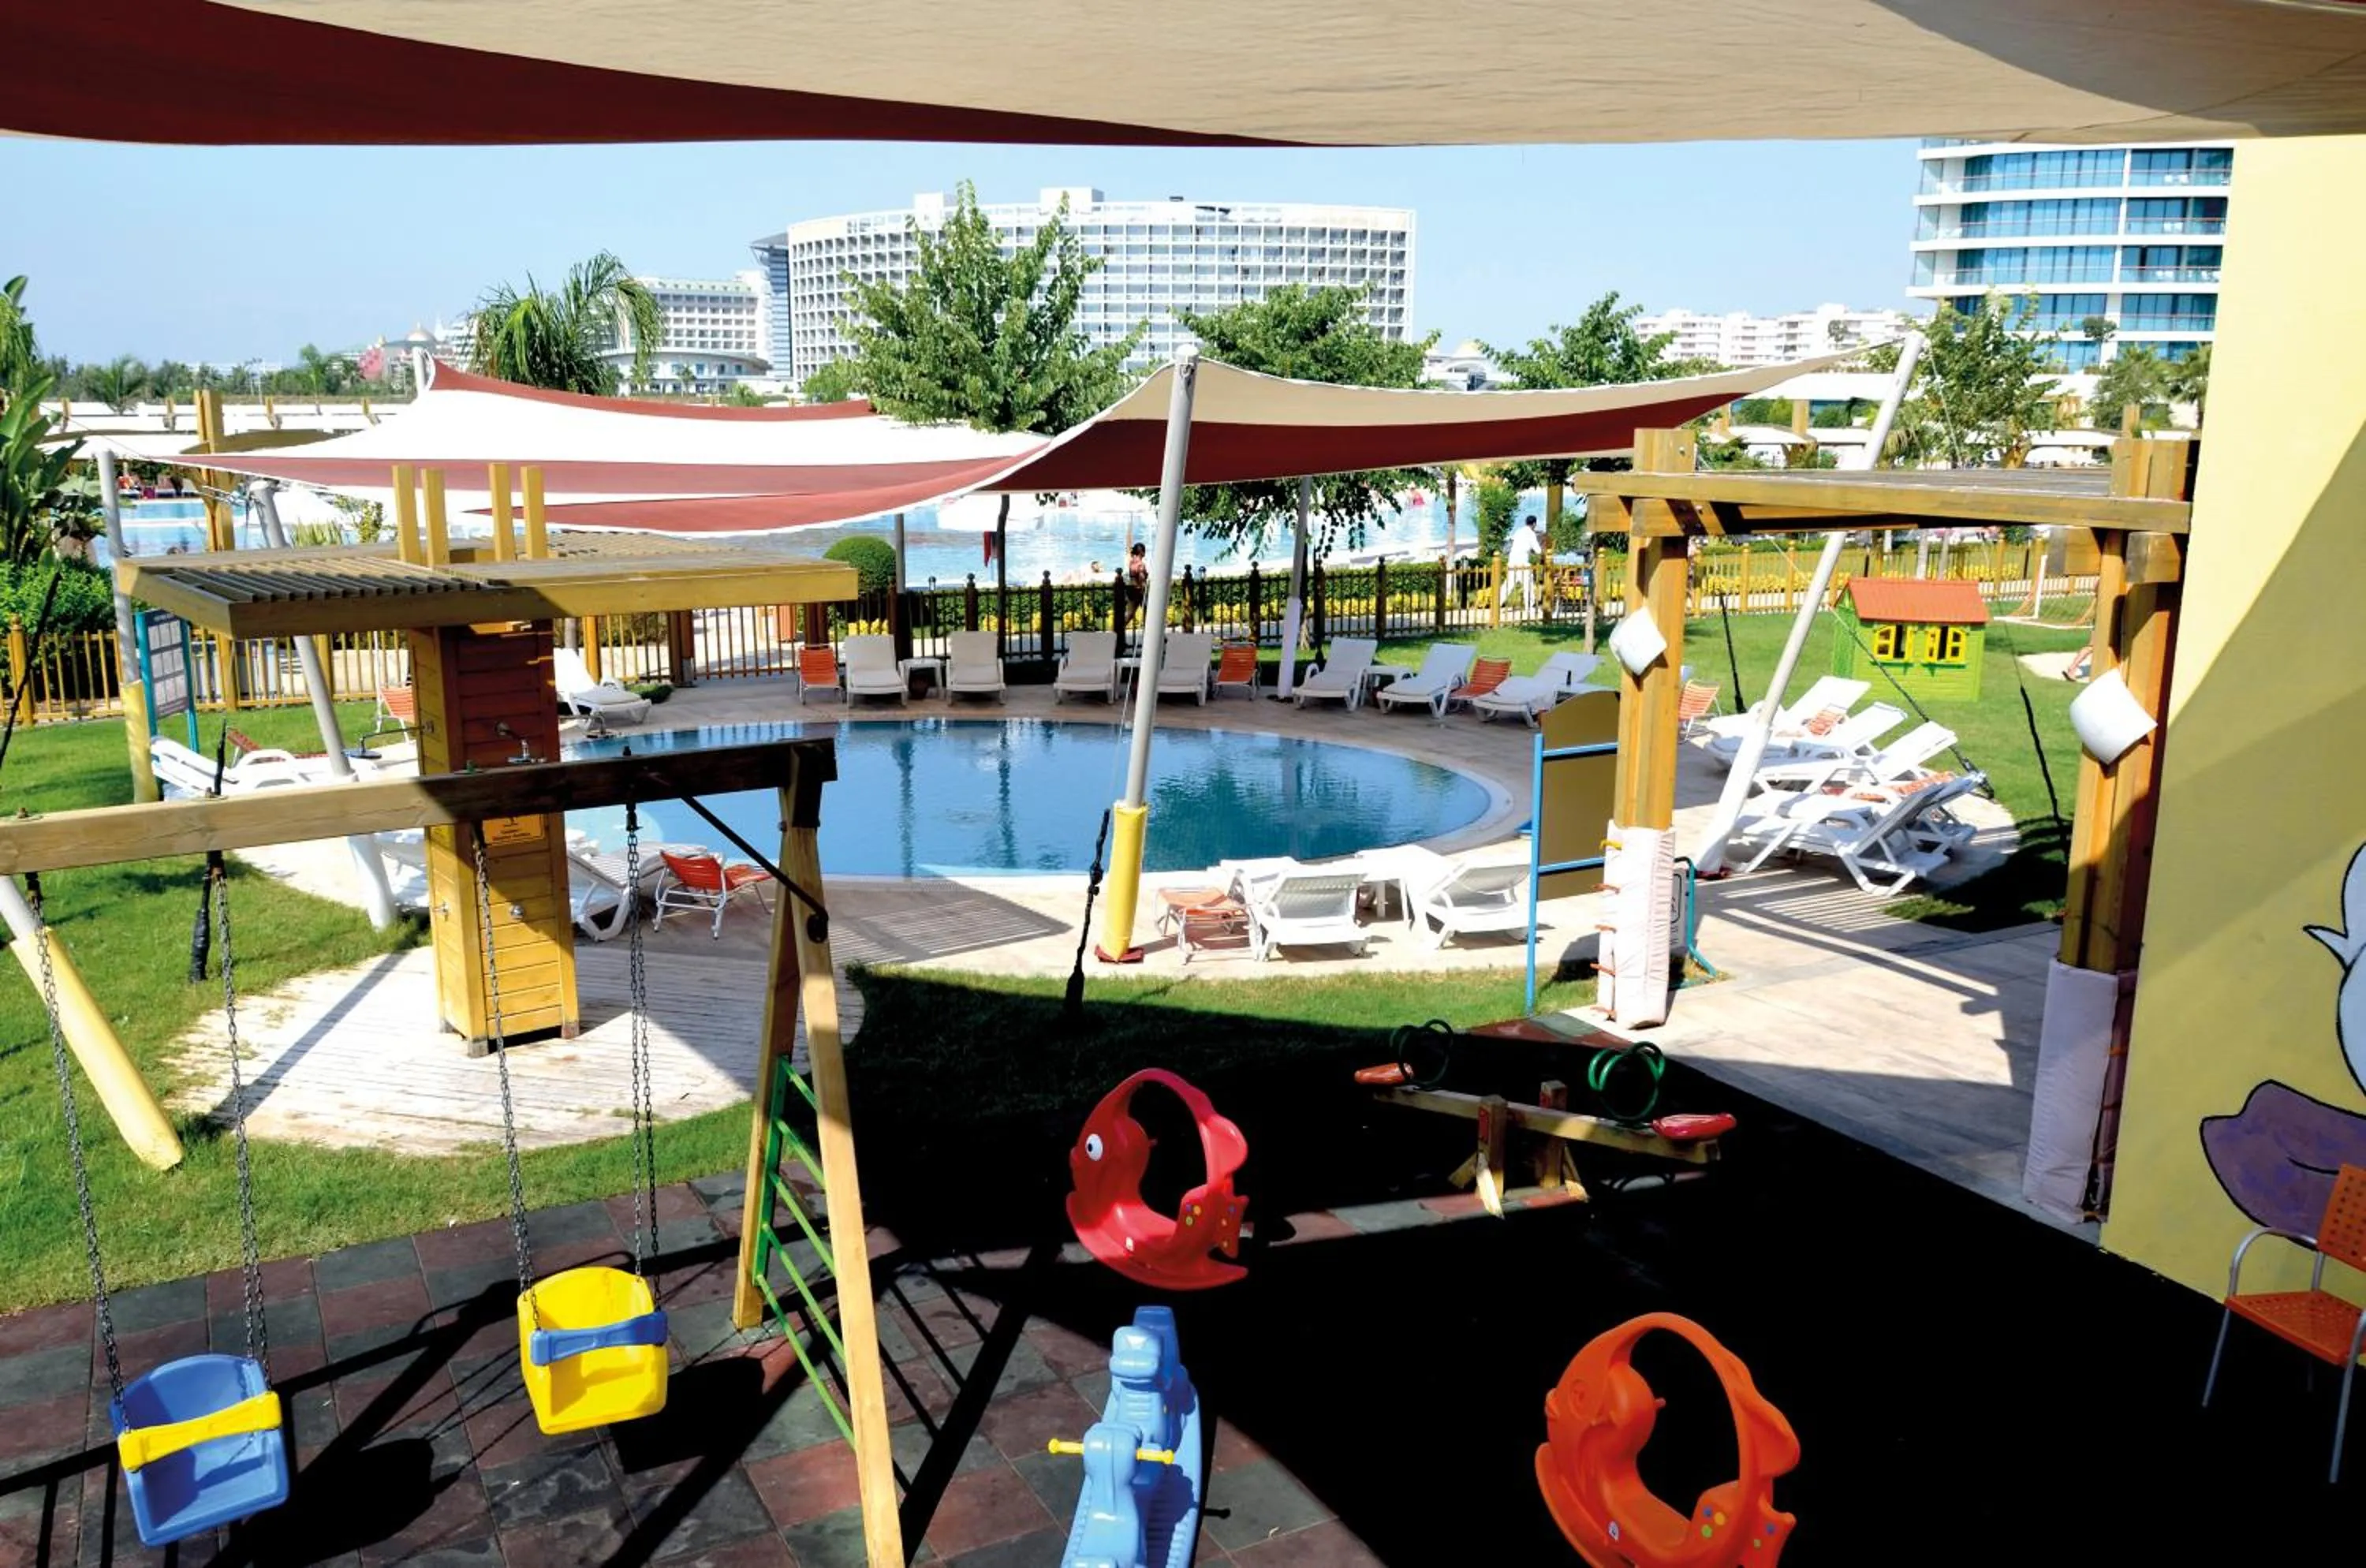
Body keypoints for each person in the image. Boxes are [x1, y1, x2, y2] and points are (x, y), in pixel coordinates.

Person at [1499, 516, 1543, 617]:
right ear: (1534, 524)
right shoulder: (1531, 534)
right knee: (1528, 585)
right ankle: (1530, 608)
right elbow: (1538, 551)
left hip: (1512, 561)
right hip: (1523, 563)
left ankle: (1497, 604)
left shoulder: (1519, 531)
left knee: (1508, 585)